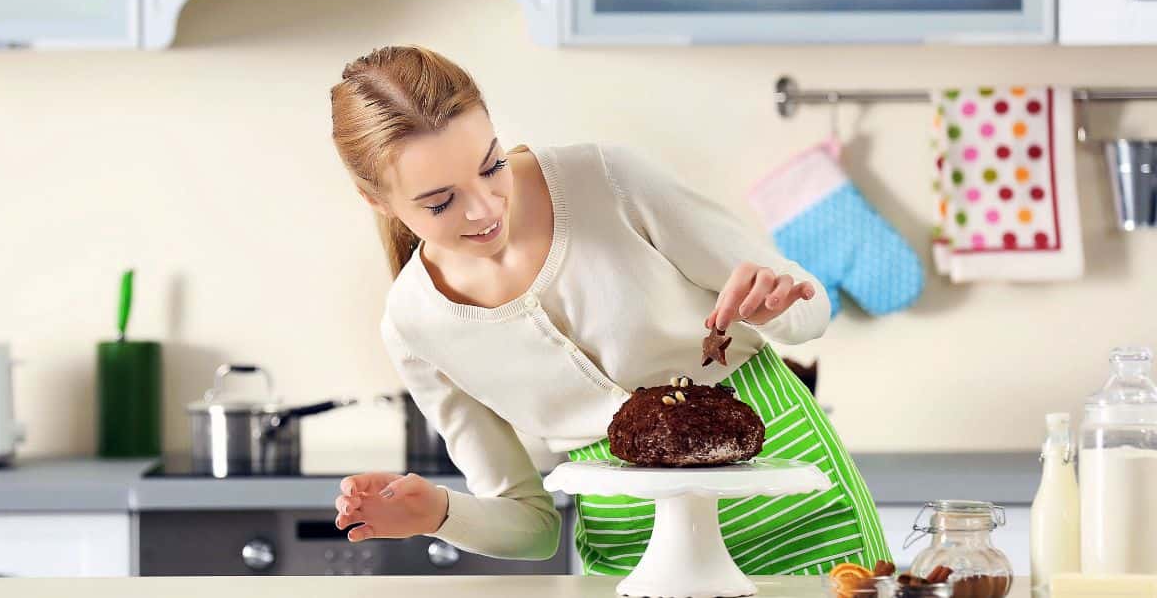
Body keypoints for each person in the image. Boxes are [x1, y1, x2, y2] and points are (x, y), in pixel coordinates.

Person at [329, 45, 890, 575]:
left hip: (803, 516)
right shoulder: (414, 326)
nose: (485, 207)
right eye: (441, 201)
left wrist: (775, 310)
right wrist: (439, 514)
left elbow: (809, 312)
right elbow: (533, 527)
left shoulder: (606, 178)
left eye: (491, 165)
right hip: (637, 558)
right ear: (375, 199)